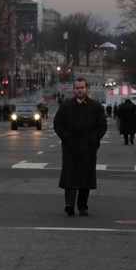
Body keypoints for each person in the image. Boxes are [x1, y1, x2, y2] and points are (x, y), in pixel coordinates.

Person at [53, 77, 108, 217]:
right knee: (69, 177)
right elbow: (58, 123)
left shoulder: (95, 107)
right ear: (74, 89)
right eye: (77, 88)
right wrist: (65, 137)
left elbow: (102, 125)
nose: (80, 90)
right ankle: (69, 204)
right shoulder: (66, 106)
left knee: (86, 177)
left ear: (86, 88)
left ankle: (83, 206)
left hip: (87, 147)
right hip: (70, 147)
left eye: (82, 87)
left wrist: (92, 141)